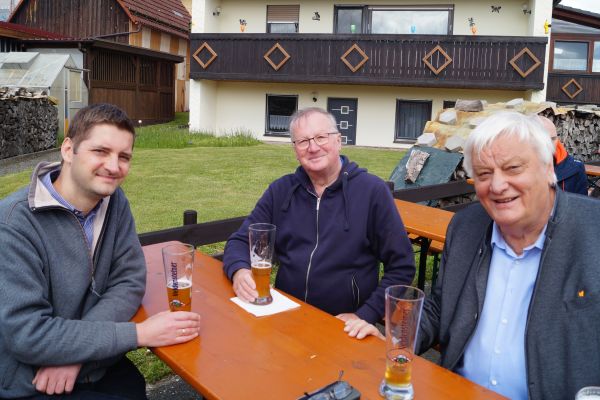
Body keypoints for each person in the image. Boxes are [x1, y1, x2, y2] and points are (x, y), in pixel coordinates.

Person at [0, 104, 201, 399]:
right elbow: (27, 334)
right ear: (68, 150)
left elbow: (129, 281)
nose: (113, 166)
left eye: (124, 157)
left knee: (133, 388)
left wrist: (75, 354)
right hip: (32, 380)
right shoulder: (14, 223)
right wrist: (139, 334)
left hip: (94, 364)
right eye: (100, 151)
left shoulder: (114, 201)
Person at [412, 112, 600, 399]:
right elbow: (440, 307)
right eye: (484, 174)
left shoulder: (593, 231)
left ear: (547, 168)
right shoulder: (466, 226)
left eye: (513, 168)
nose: (497, 186)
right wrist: (394, 336)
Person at [222, 107, 415, 335]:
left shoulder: (372, 191)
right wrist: (239, 272)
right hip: (285, 315)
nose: (313, 148)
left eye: (321, 137)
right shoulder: (281, 191)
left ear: (338, 141)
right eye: (303, 141)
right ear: (295, 150)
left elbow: (402, 265)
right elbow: (240, 241)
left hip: (343, 326)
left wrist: (366, 314)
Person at [538, 115, 588, 195]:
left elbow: (581, 201)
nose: (549, 144)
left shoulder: (576, 168)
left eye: (553, 139)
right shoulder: (518, 168)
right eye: (542, 139)